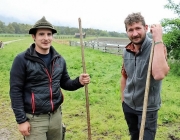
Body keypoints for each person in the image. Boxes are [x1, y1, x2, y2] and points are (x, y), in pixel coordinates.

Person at [9, 16, 90, 140]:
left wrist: (78, 81)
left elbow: (65, 83)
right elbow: (15, 91)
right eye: (41, 34)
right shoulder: (22, 60)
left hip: (56, 116)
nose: (46, 38)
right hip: (34, 119)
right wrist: (21, 120)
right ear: (33, 36)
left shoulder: (59, 60)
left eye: (49, 34)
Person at [120, 12, 170, 140]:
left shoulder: (156, 47)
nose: (135, 33)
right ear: (126, 31)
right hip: (129, 106)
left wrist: (158, 39)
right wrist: (123, 101)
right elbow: (125, 76)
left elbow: (159, 74)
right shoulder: (127, 50)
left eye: (138, 28)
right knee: (134, 136)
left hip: (148, 109)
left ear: (146, 28)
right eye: (130, 30)